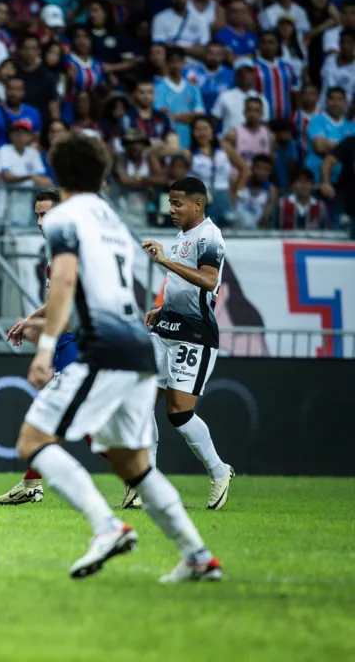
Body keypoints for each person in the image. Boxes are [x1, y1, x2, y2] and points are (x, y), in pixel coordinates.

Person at [13, 132, 222, 582]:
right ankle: (198, 556)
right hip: (139, 349)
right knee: (133, 465)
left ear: (60, 173)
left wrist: (44, 347)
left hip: (105, 350)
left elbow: (65, 280)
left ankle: (106, 526)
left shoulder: (64, 217)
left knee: (33, 441)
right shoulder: (110, 216)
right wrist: (41, 320)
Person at [140, 177, 235, 510]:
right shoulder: (183, 236)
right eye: (170, 203)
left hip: (195, 335)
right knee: (139, 400)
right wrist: (161, 308)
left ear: (198, 204)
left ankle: (219, 471)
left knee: (178, 414)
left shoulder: (210, 236)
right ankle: (144, 484)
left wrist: (165, 261)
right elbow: (181, 286)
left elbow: (209, 281)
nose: (172, 209)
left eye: (177, 203)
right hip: (166, 328)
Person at [0, 188, 79, 504]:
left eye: (47, 214)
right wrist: (29, 321)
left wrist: (35, 326)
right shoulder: (54, 247)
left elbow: (69, 302)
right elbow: (54, 300)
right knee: (51, 415)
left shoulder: (71, 247)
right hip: (64, 339)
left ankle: (136, 480)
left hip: (77, 342)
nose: (41, 221)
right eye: (38, 215)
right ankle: (32, 484)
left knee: (67, 416)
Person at [211, 58, 269, 134]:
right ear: (235, 75)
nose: (244, 75)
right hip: (230, 142)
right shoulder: (224, 96)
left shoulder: (261, 98)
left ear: (253, 75)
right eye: (240, 72)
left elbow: (265, 124)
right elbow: (213, 122)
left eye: (248, 72)